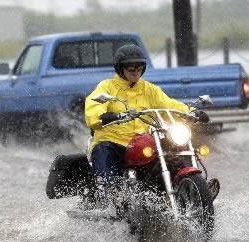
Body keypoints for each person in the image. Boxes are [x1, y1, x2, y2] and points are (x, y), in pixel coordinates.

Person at [84, 44, 205, 206]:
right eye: (130, 67)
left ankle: (192, 186)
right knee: (104, 150)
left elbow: (168, 104)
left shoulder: (149, 89)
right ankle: (107, 198)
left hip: (142, 141)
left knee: (172, 148)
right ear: (120, 68)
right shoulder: (107, 87)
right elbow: (93, 105)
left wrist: (190, 112)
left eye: (140, 66)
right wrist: (103, 116)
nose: (136, 70)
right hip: (114, 141)